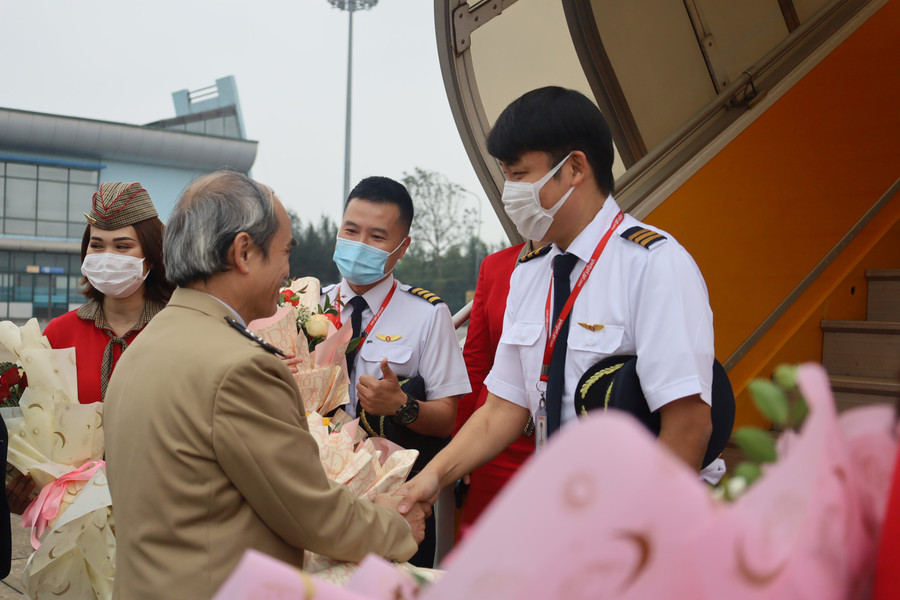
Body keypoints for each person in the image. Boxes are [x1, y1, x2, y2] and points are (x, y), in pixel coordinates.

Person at [104, 171, 426, 600]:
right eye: (283, 252)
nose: (288, 271)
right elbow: (311, 514)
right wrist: (397, 526)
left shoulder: (145, 346)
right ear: (243, 252)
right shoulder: (240, 366)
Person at [397, 86, 714, 516]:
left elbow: (687, 426)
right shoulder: (531, 272)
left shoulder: (653, 266)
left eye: (520, 174)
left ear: (575, 168)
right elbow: (502, 408)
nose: (510, 191)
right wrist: (432, 477)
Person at [322, 176, 470, 566]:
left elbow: (446, 419)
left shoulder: (427, 315)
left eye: (376, 237)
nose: (359, 245)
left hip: (394, 499)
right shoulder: (305, 307)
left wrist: (402, 405)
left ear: (402, 248)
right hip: (318, 496)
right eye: (351, 231)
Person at [43, 182, 175, 404]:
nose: (106, 257)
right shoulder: (60, 333)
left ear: (152, 256)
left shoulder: (175, 330)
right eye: (96, 245)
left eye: (122, 247)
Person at [454, 241, 536, 536]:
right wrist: (460, 447)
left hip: (561, 443)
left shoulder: (600, 263)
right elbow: (476, 362)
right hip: (492, 439)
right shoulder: (496, 265)